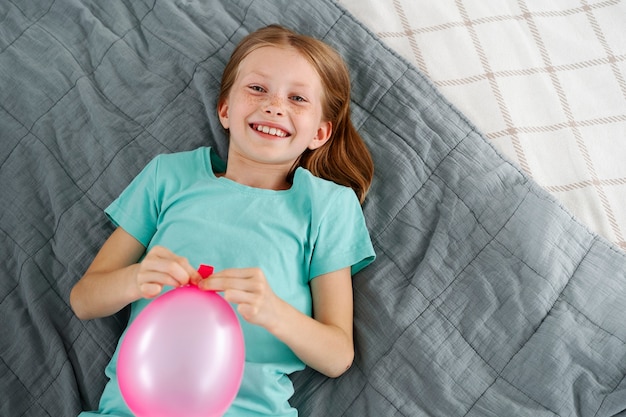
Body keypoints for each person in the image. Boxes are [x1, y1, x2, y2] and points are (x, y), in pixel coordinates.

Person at [70, 24, 376, 417]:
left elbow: (337, 356)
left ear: (319, 132)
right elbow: (83, 300)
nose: (274, 105)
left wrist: (272, 310)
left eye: (297, 97)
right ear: (226, 110)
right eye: (257, 88)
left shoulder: (327, 206)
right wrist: (135, 278)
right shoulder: (169, 177)